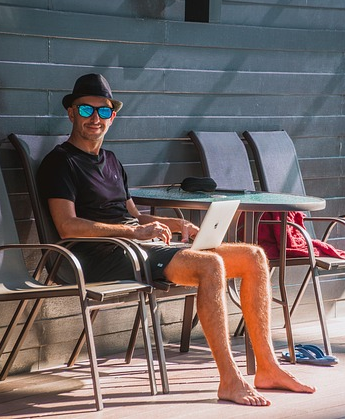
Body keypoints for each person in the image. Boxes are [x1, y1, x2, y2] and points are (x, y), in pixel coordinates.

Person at [37, 73, 316, 406]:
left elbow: (133, 215)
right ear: (71, 113)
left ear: (113, 117)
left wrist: (174, 223)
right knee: (210, 265)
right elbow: (67, 226)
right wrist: (134, 233)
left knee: (253, 256)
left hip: (138, 247)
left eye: (104, 111)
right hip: (100, 256)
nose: (95, 118)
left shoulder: (111, 161)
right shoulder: (60, 163)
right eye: (86, 110)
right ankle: (229, 379)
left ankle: (267, 367)